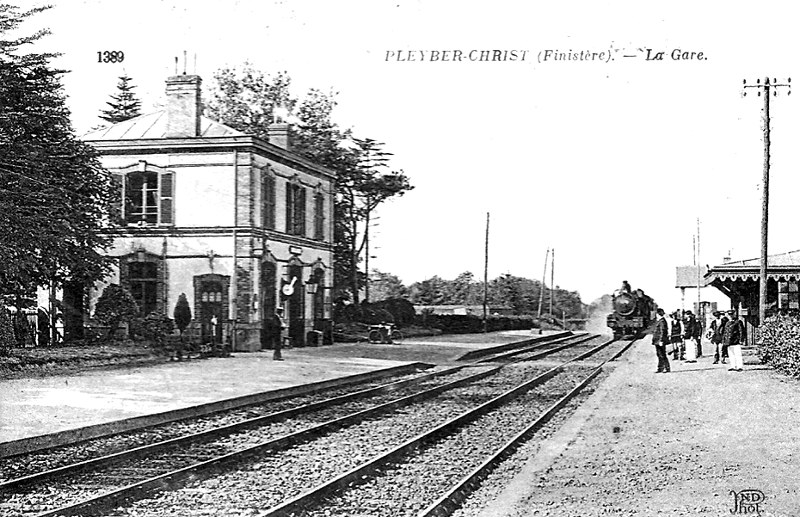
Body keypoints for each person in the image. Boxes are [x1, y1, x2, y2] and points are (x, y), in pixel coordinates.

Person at [652, 308, 670, 373]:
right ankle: (660, 368)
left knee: (662, 354)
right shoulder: (659, 321)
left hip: (660, 341)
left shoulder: (662, 321)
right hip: (657, 341)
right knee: (659, 354)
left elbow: (663, 331)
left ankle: (666, 368)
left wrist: (661, 340)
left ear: (658, 314)